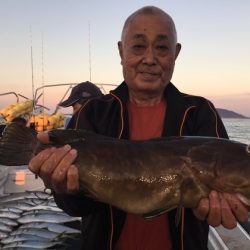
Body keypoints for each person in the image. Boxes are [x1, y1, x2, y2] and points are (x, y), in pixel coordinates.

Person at [28, 6, 249, 250]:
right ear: (121, 51)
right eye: (138, 46)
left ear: (176, 53)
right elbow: (75, 207)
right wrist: (62, 187)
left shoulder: (200, 112)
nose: (150, 58)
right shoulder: (93, 112)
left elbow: (223, 198)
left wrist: (223, 210)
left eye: (162, 47)